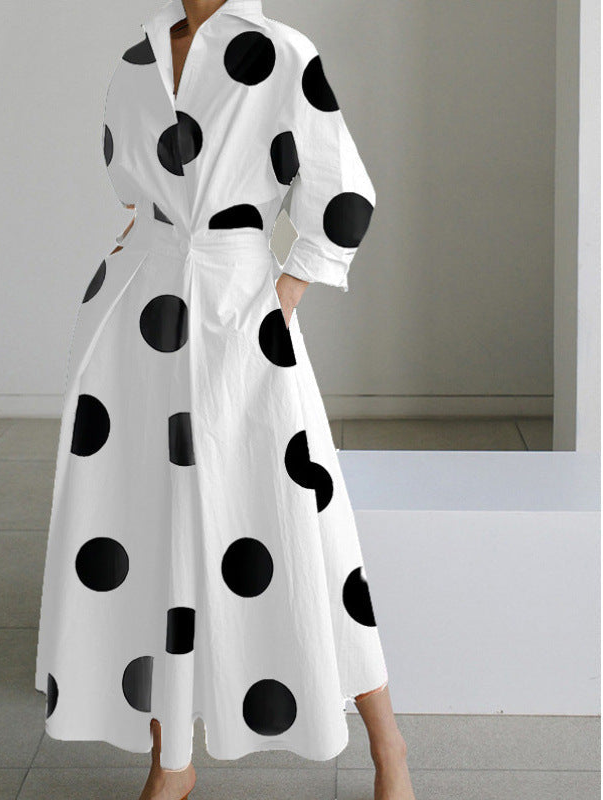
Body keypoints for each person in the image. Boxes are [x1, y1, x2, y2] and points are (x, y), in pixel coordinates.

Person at [35, 1, 416, 798]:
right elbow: (133, 192)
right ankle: (169, 762)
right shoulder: (138, 59)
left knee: (297, 523)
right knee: (147, 528)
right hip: (137, 320)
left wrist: (283, 292)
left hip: (239, 314)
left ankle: (389, 747)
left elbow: (345, 193)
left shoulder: (282, 52)